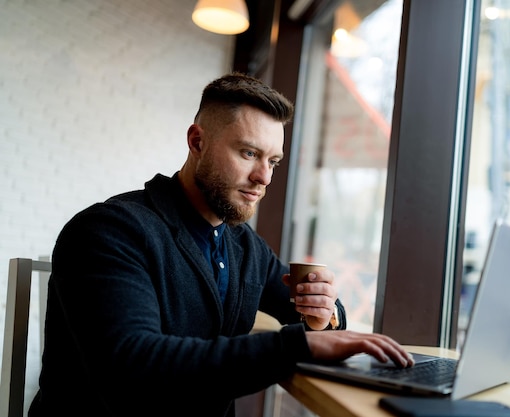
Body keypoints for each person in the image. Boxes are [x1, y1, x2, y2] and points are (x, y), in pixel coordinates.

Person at [29, 73, 414, 417]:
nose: (263, 177)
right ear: (197, 141)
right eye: (249, 153)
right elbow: (135, 368)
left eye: (273, 161)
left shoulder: (244, 246)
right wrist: (297, 346)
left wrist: (323, 314)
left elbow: (310, 314)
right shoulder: (108, 230)